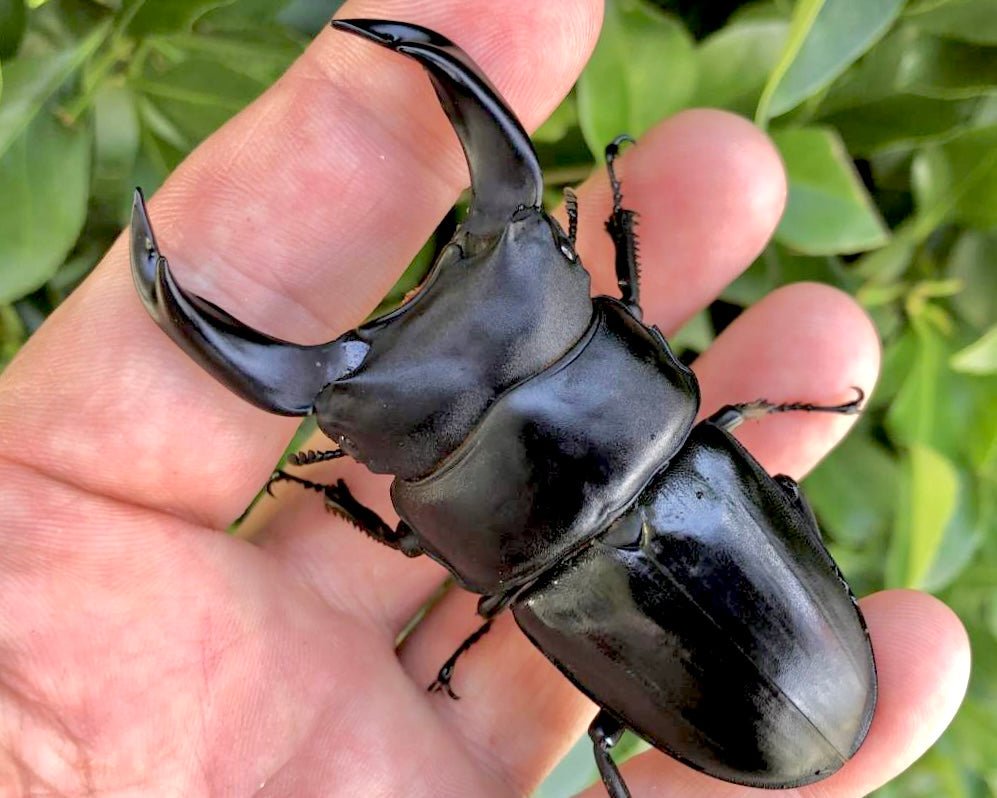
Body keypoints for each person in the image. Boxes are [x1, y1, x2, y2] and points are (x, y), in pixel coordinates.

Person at [0, 3, 969, 796]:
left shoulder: (592, 541)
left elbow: (420, 539)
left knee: (632, 680)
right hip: (737, 651)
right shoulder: (689, 461)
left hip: (733, 658)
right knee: (759, 506)